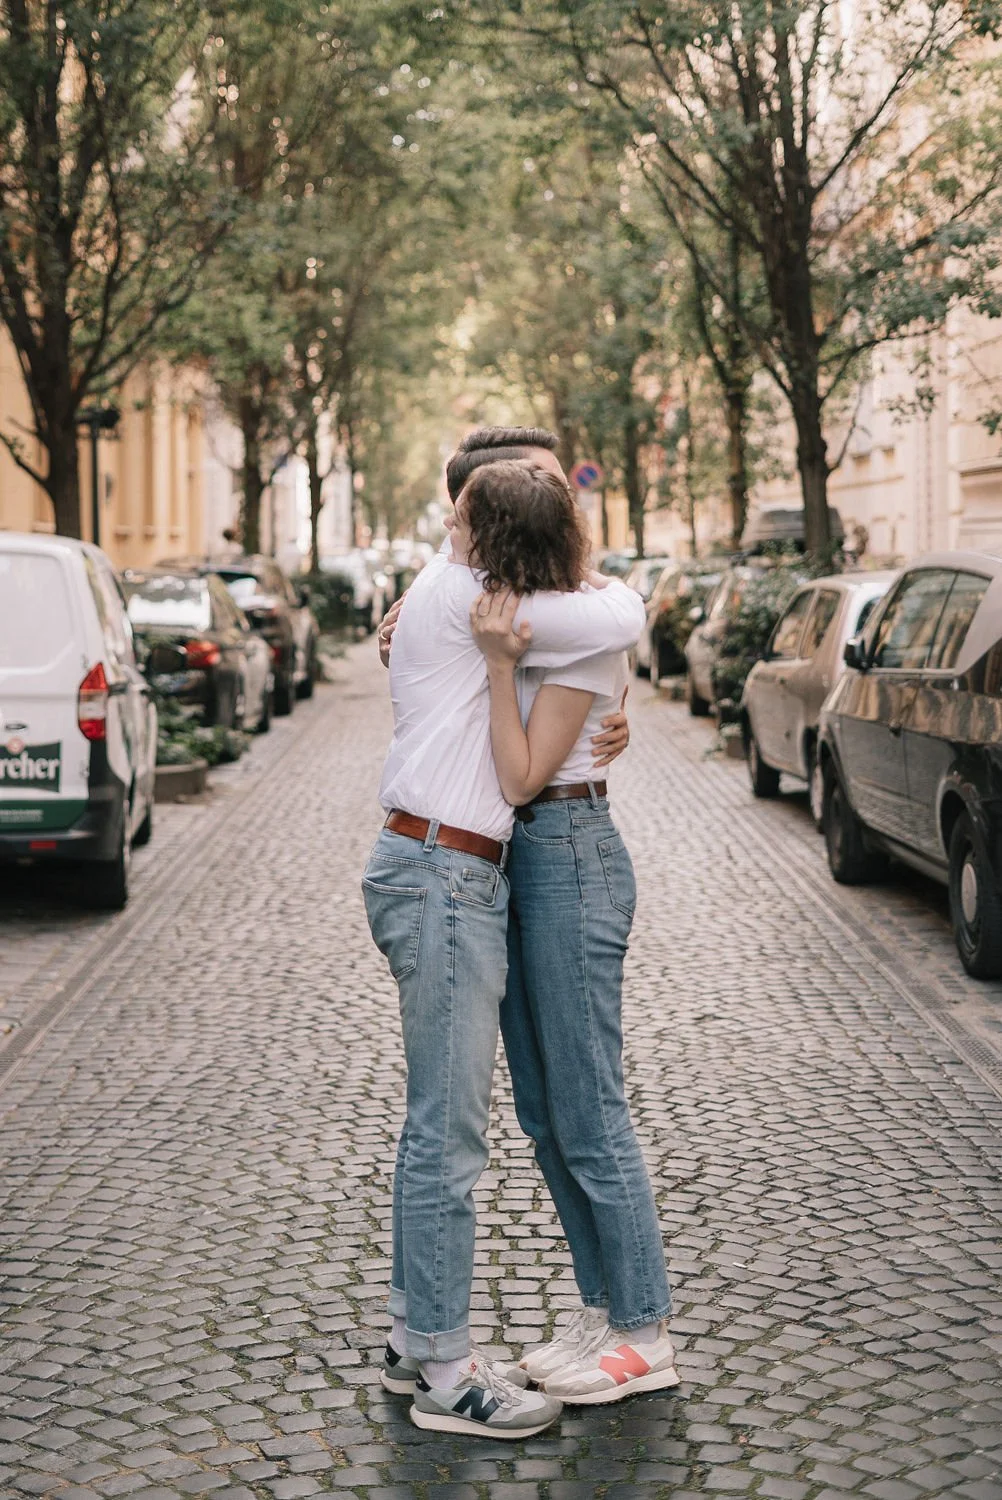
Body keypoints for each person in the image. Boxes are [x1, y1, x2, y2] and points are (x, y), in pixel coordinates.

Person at [363, 457, 646, 1439]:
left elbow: (590, 642)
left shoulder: (476, 601)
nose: (449, 521)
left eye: (462, 511)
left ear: (487, 536)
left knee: (444, 1127)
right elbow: (617, 619)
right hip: (444, 871)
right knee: (447, 1135)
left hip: (447, 867)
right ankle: (445, 1368)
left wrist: (608, 708)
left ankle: (415, 1339)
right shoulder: (475, 602)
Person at [469, 575, 678, 1406]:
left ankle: (644, 1331)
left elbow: (524, 773)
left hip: (572, 847)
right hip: (523, 854)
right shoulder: (519, 615)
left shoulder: (582, 616)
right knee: (545, 1114)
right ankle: (603, 1307)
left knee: (590, 1110)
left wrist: (486, 657)